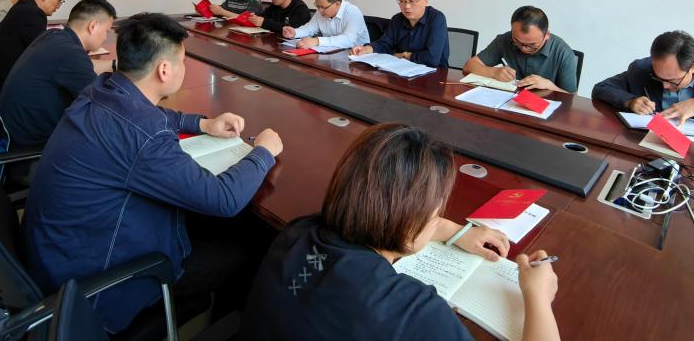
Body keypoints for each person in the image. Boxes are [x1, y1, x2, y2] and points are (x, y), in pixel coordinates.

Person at [24, 13, 284, 334]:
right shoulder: (144, 135)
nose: (184, 68)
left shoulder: (102, 89)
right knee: (253, 248)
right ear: (164, 70)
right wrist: (263, 151)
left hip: (60, 258)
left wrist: (202, 124)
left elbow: (152, 115)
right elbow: (224, 199)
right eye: (182, 62)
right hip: (99, 287)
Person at [239, 123, 561, 341]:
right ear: (408, 225)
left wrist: (456, 232)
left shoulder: (301, 230)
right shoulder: (412, 311)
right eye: (435, 214)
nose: (438, 220)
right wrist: (538, 297)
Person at [0, 0, 116, 150]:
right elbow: (102, 109)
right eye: (106, 31)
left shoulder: (54, 36)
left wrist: (115, 65)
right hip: (30, 148)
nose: (106, 37)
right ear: (93, 26)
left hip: (10, 132)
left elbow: (84, 67)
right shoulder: (71, 54)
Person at [0, 0, 66, 100]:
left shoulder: (24, 7)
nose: (59, 5)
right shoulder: (34, 14)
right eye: (59, 0)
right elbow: (44, 57)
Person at [464, 6, 578, 93]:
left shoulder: (563, 53)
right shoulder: (505, 39)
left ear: (546, 35)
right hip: (509, 104)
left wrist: (549, 86)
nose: (524, 49)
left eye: (531, 45)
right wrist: (494, 72)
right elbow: (469, 66)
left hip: (544, 110)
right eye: (518, 42)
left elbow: (573, 98)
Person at [350, 0, 449, 68]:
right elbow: (385, 44)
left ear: (425, 1)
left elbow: (432, 58)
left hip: (434, 74)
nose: (407, 6)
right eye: (402, 1)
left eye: (411, 1)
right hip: (402, 70)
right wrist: (366, 49)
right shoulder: (397, 19)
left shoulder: (437, 19)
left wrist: (404, 55)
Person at [282, 0, 369, 50]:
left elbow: (349, 40)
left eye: (323, 7)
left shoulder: (353, 12)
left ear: (337, 4)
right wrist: (295, 32)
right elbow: (310, 28)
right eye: (317, 6)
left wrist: (317, 41)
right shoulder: (322, 10)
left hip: (355, 58)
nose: (320, 10)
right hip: (332, 54)